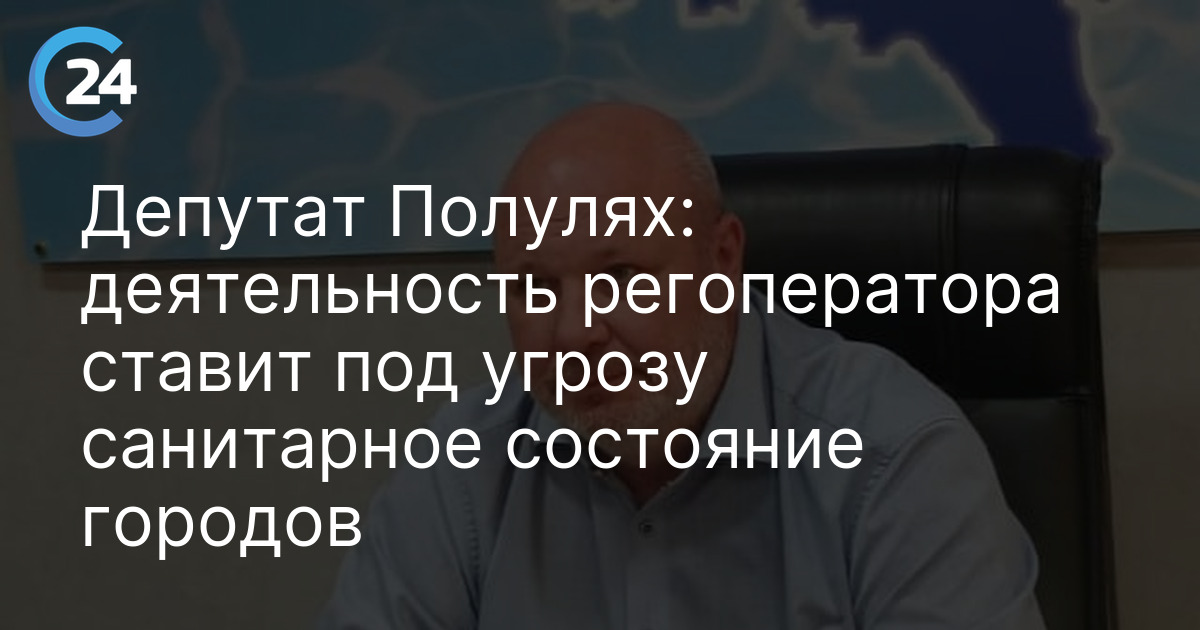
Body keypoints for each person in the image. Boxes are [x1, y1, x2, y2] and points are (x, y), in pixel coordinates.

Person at [319, 103, 1045, 629]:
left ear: (722, 260)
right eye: (537, 289)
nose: (575, 334)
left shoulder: (894, 457)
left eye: (621, 278)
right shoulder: (464, 469)